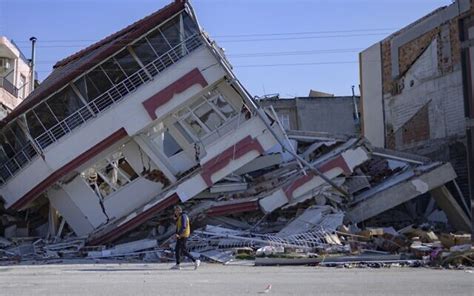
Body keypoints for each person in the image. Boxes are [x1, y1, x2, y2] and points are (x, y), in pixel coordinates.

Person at [171, 205, 200, 270]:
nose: (175, 212)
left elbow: (183, 226)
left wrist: (178, 234)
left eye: (176, 211)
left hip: (183, 235)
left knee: (183, 250)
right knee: (178, 250)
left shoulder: (183, 216)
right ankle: (177, 264)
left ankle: (195, 260)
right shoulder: (180, 217)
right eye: (175, 211)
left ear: (179, 210)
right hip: (181, 235)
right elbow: (178, 226)